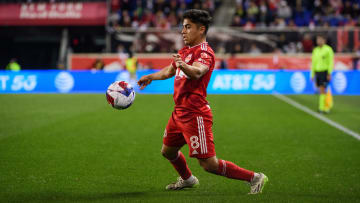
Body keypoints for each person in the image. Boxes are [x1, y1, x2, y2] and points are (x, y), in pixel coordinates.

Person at [137, 9, 268, 194]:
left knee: (209, 164)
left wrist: (184, 65)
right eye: (183, 27)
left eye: (188, 27)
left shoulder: (206, 52)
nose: (183, 31)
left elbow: (198, 72)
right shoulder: (185, 51)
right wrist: (151, 76)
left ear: (201, 29)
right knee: (168, 151)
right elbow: (168, 71)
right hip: (179, 112)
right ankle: (188, 179)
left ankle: (254, 177)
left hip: (195, 114)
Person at [311, 35, 334, 113]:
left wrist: (329, 73)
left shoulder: (328, 50)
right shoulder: (315, 50)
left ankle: (323, 108)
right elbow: (313, 63)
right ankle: (324, 107)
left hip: (324, 72)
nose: (319, 41)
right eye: (318, 39)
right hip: (317, 72)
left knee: (323, 89)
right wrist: (312, 74)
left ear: (324, 40)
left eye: (320, 39)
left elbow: (330, 62)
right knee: (321, 89)